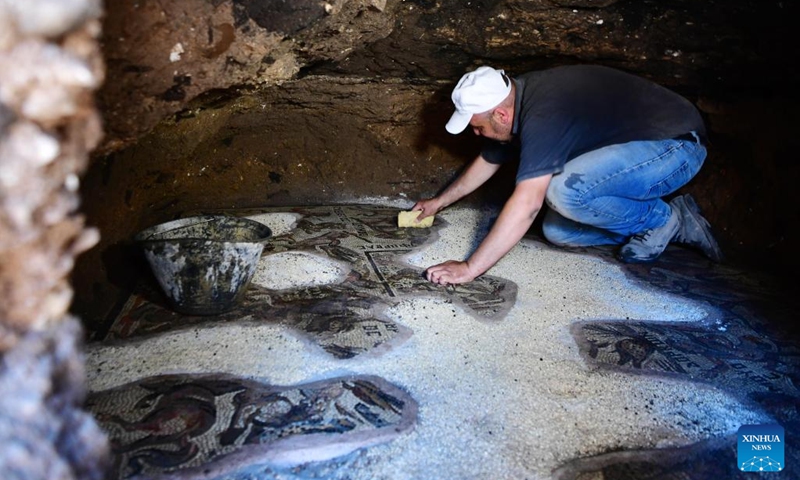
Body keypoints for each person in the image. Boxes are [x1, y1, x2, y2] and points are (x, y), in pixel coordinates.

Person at [413, 65, 723, 286]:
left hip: (678, 147)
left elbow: (528, 203)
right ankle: (656, 222)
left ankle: (665, 219)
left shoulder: (544, 113)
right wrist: (439, 202)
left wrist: (469, 268)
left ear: (501, 114)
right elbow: (489, 159)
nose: (477, 133)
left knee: (564, 191)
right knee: (558, 232)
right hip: (635, 155)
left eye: (477, 126)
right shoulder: (515, 102)